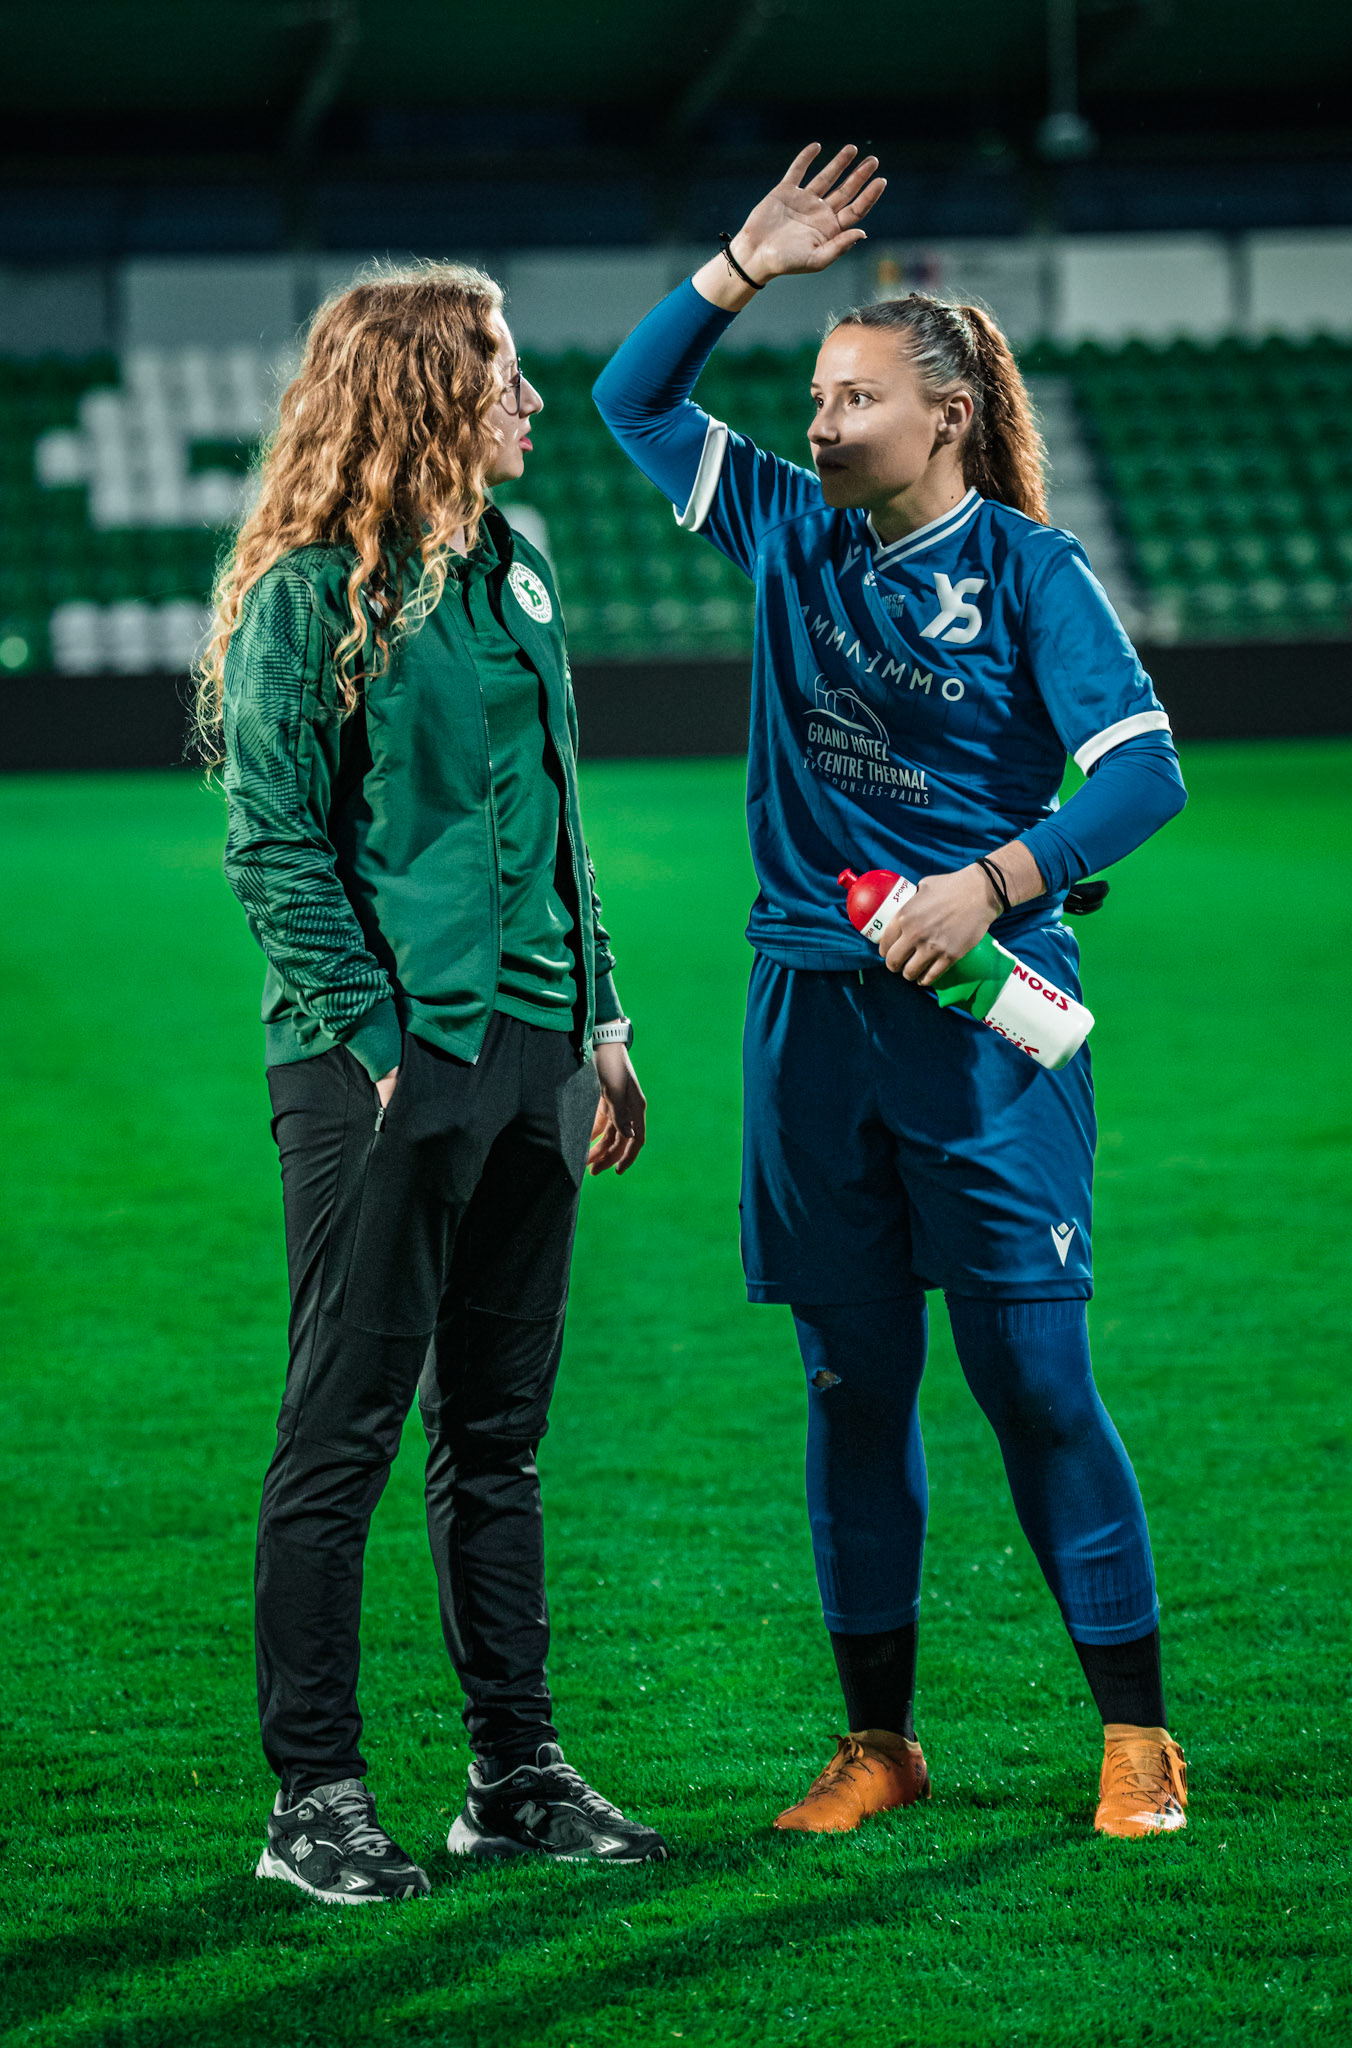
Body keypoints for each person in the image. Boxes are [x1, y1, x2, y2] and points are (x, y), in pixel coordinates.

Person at [594, 148, 1190, 1840]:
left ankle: (1134, 1736)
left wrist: (990, 882)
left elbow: (1142, 776)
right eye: (812, 392)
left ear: (940, 415)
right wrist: (742, 266)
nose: (820, 419)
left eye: (852, 395)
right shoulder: (788, 529)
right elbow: (632, 401)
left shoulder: (1028, 569)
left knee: (1030, 1381)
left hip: (984, 1022)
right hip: (805, 1025)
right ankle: (877, 1743)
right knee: (850, 1389)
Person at [196, 262, 667, 1902]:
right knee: (343, 1432)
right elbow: (272, 845)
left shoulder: (517, 565)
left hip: (536, 1054)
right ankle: (310, 1799)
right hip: (376, 1071)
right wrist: (380, 1043)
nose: (532, 397)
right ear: (420, 390)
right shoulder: (305, 593)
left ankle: (512, 1773)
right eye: (506, 372)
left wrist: (601, 1022)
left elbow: (557, 821)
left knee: (500, 1435)